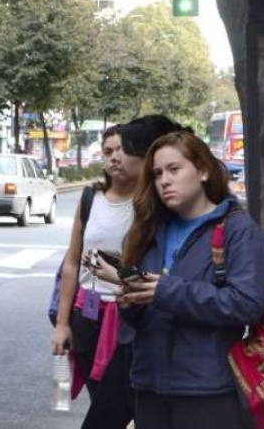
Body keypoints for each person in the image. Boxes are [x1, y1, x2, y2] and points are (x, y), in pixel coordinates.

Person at [108, 130, 264, 429]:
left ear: (202, 170)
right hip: (149, 386)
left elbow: (247, 304)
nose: (164, 181)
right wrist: (130, 301)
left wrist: (164, 290)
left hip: (208, 390)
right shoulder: (148, 229)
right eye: (158, 173)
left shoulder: (237, 230)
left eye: (174, 169)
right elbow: (137, 319)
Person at [51, 115, 182, 428]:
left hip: (129, 315)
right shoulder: (89, 198)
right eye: (107, 151)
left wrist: (121, 276)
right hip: (89, 313)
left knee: (127, 403)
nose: (115, 157)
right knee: (105, 402)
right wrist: (62, 323)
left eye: (122, 149)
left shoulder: (155, 205)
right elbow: (72, 262)